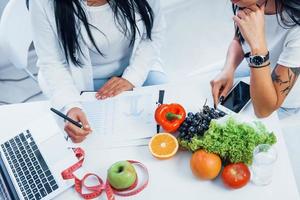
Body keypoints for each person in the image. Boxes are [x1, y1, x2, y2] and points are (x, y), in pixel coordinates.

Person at [29, 0, 166, 143]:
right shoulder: (42, 3)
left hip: (134, 66)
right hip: (75, 79)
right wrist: (70, 106)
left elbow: (154, 34)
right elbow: (52, 62)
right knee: (87, 139)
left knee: (165, 119)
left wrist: (132, 77)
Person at [210, 0, 300, 119]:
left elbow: (263, 111)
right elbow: (239, 39)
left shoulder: (296, 27)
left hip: (284, 104)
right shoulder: (245, 3)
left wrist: (258, 45)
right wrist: (228, 69)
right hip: (257, 79)